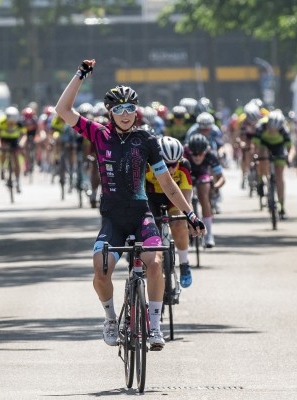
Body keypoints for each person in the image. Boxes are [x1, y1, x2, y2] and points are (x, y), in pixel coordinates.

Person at [55, 59, 205, 350]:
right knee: (100, 271)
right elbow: (63, 110)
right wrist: (80, 76)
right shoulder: (99, 134)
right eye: (118, 109)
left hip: (141, 215)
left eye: (130, 109)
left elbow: (166, 183)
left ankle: (155, 325)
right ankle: (111, 318)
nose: (125, 114)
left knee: (155, 262)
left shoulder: (146, 139)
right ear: (110, 112)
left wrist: (189, 213)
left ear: (136, 112)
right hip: (112, 219)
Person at [146, 136, 194, 288]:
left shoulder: (184, 165)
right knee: (148, 227)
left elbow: (186, 198)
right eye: (167, 165)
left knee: (179, 222)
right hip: (150, 197)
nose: (172, 169)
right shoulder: (146, 165)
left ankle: (184, 263)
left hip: (173, 197)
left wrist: (191, 218)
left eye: (175, 164)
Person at [184, 133, 225, 248]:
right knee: (186, 198)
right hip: (187, 175)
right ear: (189, 151)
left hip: (203, 174)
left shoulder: (210, 154)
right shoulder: (184, 153)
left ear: (205, 152)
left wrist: (215, 186)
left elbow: (222, 177)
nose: (197, 157)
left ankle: (209, 234)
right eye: (194, 154)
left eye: (200, 154)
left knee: (204, 195)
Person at [252, 109, 292, 219]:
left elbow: (290, 148)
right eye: (270, 129)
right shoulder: (261, 127)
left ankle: (282, 207)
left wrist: (289, 157)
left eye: (275, 130)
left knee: (279, 176)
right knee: (262, 156)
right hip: (264, 145)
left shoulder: (284, 130)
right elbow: (255, 146)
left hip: (278, 147)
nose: (272, 131)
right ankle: (261, 180)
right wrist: (256, 158)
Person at [0, 106, 26, 193]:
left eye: (14, 122)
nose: (12, 123)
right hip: (4, 139)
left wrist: (22, 143)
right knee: (3, 152)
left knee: (16, 159)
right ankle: (2, 168)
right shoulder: (2, 121)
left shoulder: (20, 123)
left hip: (14, 140)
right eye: (10, 122)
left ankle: (17, 180)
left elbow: (24, 135)